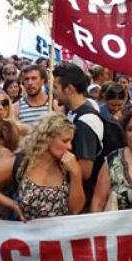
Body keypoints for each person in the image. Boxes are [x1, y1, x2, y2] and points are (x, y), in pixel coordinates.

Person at [0, 113, 85, 221]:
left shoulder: (67, 166)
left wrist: (76, 174)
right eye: (65, 141)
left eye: (71, 141)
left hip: (58, 236)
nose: (69, 146)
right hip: (28, 236)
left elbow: (75, 209)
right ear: (47, 138)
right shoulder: (22, 162)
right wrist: (12, 204)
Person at [53, 63, 107, 203]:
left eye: (56, 88)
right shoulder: (76, 109)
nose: (53, 92)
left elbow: (84, 172)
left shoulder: (85, 122)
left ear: (69, 89)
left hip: (82, 198)